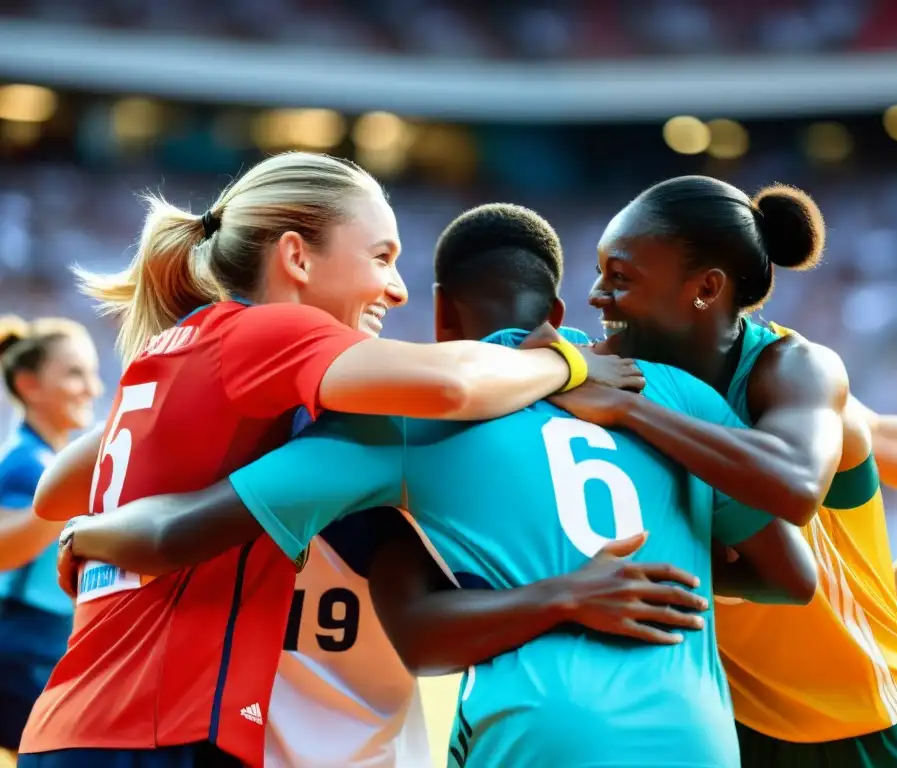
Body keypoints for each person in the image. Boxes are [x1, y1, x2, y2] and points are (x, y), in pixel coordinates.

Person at [52, 202, 818, 768]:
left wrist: (85, 535)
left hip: (539, 729)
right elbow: (791, 577)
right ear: (555, 309)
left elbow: (182, 530)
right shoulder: (680, 395)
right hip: (699, 736)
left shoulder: (401, 420)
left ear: (442, 315)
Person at [18, 153, 638, 768]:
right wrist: (565, 363)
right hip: (160, 729)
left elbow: (55, 492)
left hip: (71, 720)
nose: (397, 289)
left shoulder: (177, 352)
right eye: (381, 257)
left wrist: (94, 527)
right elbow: (454, 384)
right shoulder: (265, 334)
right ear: (296, 257)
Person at [547, 175, 897, 767]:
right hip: (738, 728)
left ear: (706, 288)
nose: (597, 294)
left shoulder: (797, 371)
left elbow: (796, 486)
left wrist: (893, 591)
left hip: (873, 727)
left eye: (620, 277)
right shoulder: (628, 373)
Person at [0, 315, 102, 760]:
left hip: (46, 646)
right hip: (21, 650)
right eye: (75, 373)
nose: (93, 389)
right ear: (29, 385)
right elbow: (6, 550)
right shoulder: (26, 464)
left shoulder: (50, 460)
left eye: (93, 373)